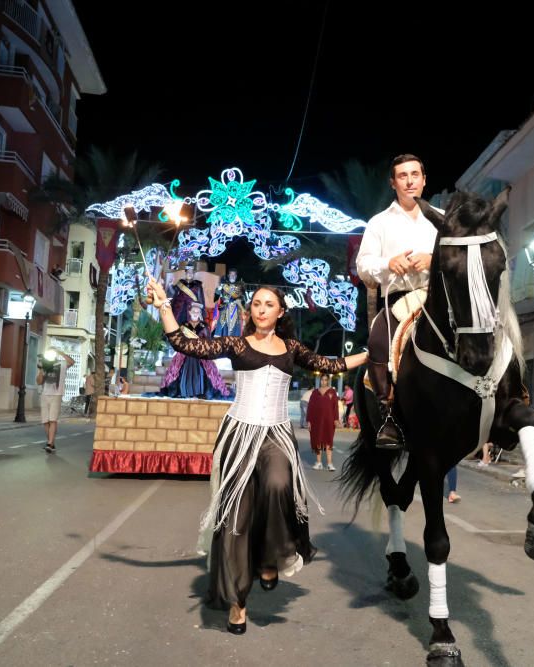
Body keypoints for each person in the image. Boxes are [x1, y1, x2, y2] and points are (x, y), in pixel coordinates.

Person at [145, 277, 368, 634]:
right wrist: (162, 306)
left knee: (280, 485)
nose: (261, 309)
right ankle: (238, 603)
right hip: (239, 433)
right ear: (251, 310)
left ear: (280, 313)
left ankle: (269, 558)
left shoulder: (293, 348)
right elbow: (187, 344)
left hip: (276, 434)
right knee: (237, 517)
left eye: (269, 305)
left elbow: (332, 365)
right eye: (257, 304)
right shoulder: (236, 343)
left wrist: (375, 353)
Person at [356, 154, 438, 449]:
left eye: (415, 174)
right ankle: (388, 413)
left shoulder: (441, 219)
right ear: (393, 183)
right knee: (379, 342)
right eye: (402, 176)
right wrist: (389, 263)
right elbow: (363, 265)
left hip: (437, 298)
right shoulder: (379, 223)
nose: (410, 180)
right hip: (398, 299)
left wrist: (433, 258)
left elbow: (460, 257)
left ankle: (504, 398)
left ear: (424, 179)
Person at [36, 349, 75, 453]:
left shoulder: (61, 364)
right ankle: (51, 443)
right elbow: (39, 382)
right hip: (44, 394)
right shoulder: (44, 365)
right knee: (45, 421)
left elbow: (72, 362)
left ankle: (49, 443)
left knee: (52, 420)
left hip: (56, 394)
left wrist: (59, 351)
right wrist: (40, 370)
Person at [307, 374, 339, 471]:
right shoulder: (315, 393)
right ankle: (319, 462)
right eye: (322, 380)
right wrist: (309, 421)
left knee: (329, 440)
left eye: (325, 380)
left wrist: (336, 419)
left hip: (329, 420)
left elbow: (335, 407)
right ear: (319, 381)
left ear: (328, 381)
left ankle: (329, 463)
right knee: (317, 440)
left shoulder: (332, 392)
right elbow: (310, 407)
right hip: (316, 420)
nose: (324, 382)